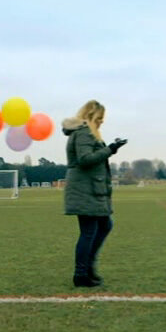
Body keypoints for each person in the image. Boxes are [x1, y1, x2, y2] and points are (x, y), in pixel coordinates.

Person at [62, 100, 127, 287]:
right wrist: (111, 150)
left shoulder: (85, 133)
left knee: (105, 225)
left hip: (92, 188)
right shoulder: (84, 133)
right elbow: (84, 159)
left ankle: (87, 268)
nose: (102, 121)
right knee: (89, 231)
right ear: (92, 116)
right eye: (100, 118)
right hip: (85, 189)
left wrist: (111, 147)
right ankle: (81, 273)